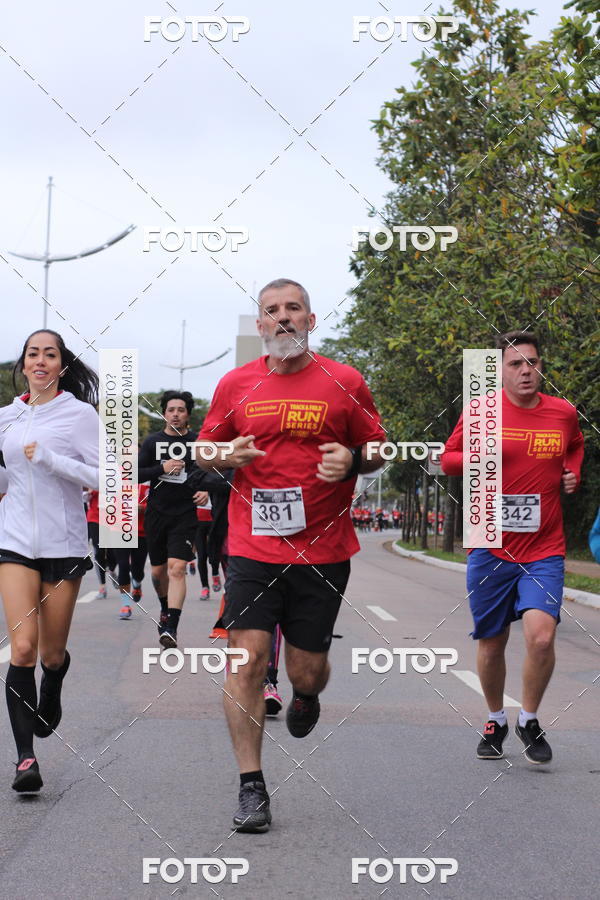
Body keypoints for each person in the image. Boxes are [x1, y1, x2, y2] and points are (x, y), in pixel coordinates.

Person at [196, 277, 384, 832]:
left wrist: (352, 461)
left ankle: (305, 694)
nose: (282, 317)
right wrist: (224, 455)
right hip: (253, 548)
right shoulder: (235, 384)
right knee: (247, 660)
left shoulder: (344, 381)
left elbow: (377, 446)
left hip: (324, 552)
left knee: (307, 670)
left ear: (310, 319)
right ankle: (251, 787)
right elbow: (205, 448)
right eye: (271, 310)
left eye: (293, 309)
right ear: (259, 326)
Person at [441, 331, 584, 765]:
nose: (526, 370)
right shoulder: (481, 411)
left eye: (533, 362)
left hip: (544, 547)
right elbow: (447, 459)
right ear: (501, 370)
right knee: (492, 641)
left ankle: (529, 719)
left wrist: (571, 472)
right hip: (489, 544)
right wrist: (484, 458)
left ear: (541, 367)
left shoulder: (562, 414)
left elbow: (575, 447)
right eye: (516, 364)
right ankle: (495, 718)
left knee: (541, 637)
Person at [0, 330, 100, 792]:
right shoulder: (5, 418)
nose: (40, 361)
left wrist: (52, 460)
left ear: (62, 365)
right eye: (32, 354)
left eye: (50, 354)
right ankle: (25, 761)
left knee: (50, 652)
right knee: (21, 649)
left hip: (64, 545)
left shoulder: (79, 415)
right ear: (22, 363)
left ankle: (54, 679)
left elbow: (105, 477)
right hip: (15, 542)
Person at [138, 391, 204, 648]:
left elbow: (210, 472)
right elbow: (133, 473)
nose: (175, 413)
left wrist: (206, 488)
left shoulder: (198, 442)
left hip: (185, 514)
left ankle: (172, 628)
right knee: (158, 572)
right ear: (164, 413)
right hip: (156, 513)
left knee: (177, 568)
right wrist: (161, 469)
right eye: (171, 409)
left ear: (188, 414)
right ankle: (165, 608)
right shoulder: (153, 442)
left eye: (181, 409)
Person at [116, 482, 149, 619]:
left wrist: (144, 508)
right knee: (123, 565)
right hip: (119, 529)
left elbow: (160, 503)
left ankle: (137, 583)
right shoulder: (117, 475)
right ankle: (125, 605)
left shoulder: (151, 477)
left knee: (138, 570)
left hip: (142, 532)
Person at [85, 489, 117, 599]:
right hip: (95, 517)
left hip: (113, 516)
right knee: (99, 551)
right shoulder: (94, 472)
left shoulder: (116, 473)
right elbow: (84, 497)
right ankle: (102, 586)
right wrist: (88, 491)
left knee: (113, 551)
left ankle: (112, 570)